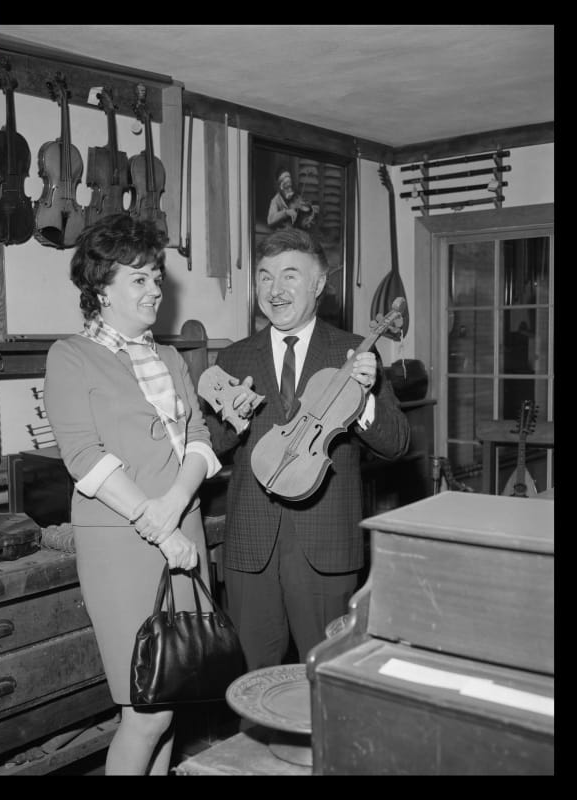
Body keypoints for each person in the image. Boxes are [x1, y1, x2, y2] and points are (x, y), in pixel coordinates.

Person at [44, 213, 222, 775]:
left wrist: (175, 507)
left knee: (175, 696)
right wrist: (160, 526)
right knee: (147, 710)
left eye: (156, 278)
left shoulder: (169, 357)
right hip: (124, 542)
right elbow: (84, 457)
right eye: (138, 278)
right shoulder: (70, 356)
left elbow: (198, 437)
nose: (154, 290)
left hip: (183, 530)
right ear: (101, 287)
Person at [203, 228, 410, 671]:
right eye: (265, 277)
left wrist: (364, 399)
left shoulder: (355, 352)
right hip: (250, 548)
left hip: (326, 547)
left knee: (327, 678)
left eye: (290, 276)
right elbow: (212, 445)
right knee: (252, 682)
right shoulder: (233, 358)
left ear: (318, 285)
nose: (275, 290)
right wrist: (233, 419)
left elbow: (396, 443)